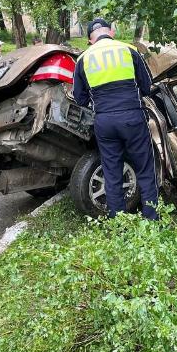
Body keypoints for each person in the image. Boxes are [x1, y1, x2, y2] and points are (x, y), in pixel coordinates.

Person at [72, 17, 159, 219]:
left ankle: (117, 220)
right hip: (132, 117)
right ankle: (151, 218)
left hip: (105, 122)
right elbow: (147, 87)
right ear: (111, 32)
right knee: (145, 169)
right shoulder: (129, 50)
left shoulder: (84, 58)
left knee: (112, 172)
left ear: (90, 40)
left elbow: (80, 98)